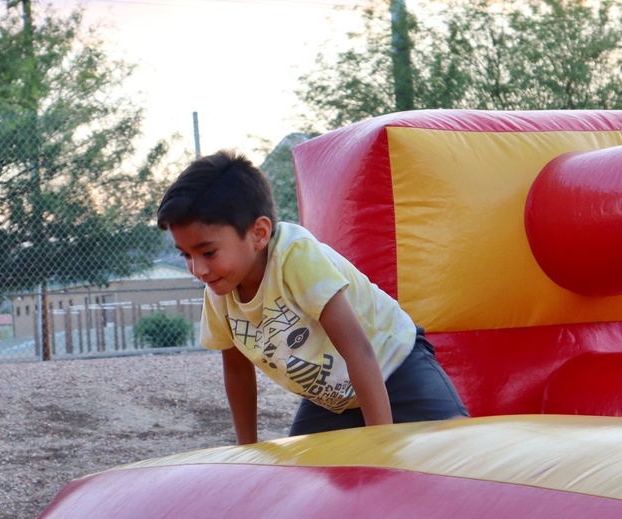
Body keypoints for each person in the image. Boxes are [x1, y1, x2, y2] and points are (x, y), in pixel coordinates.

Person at [156, 150, 468, 444]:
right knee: (306, 480)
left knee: (453, 446)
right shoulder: (220, 288)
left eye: (208, 252)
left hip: (395, 364)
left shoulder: (295, 257)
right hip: (333, 399)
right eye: (186, 255)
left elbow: (359, 349)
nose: (198, 269)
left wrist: (380, 445)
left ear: (259, 234)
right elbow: (237, 369)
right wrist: (246, 450)